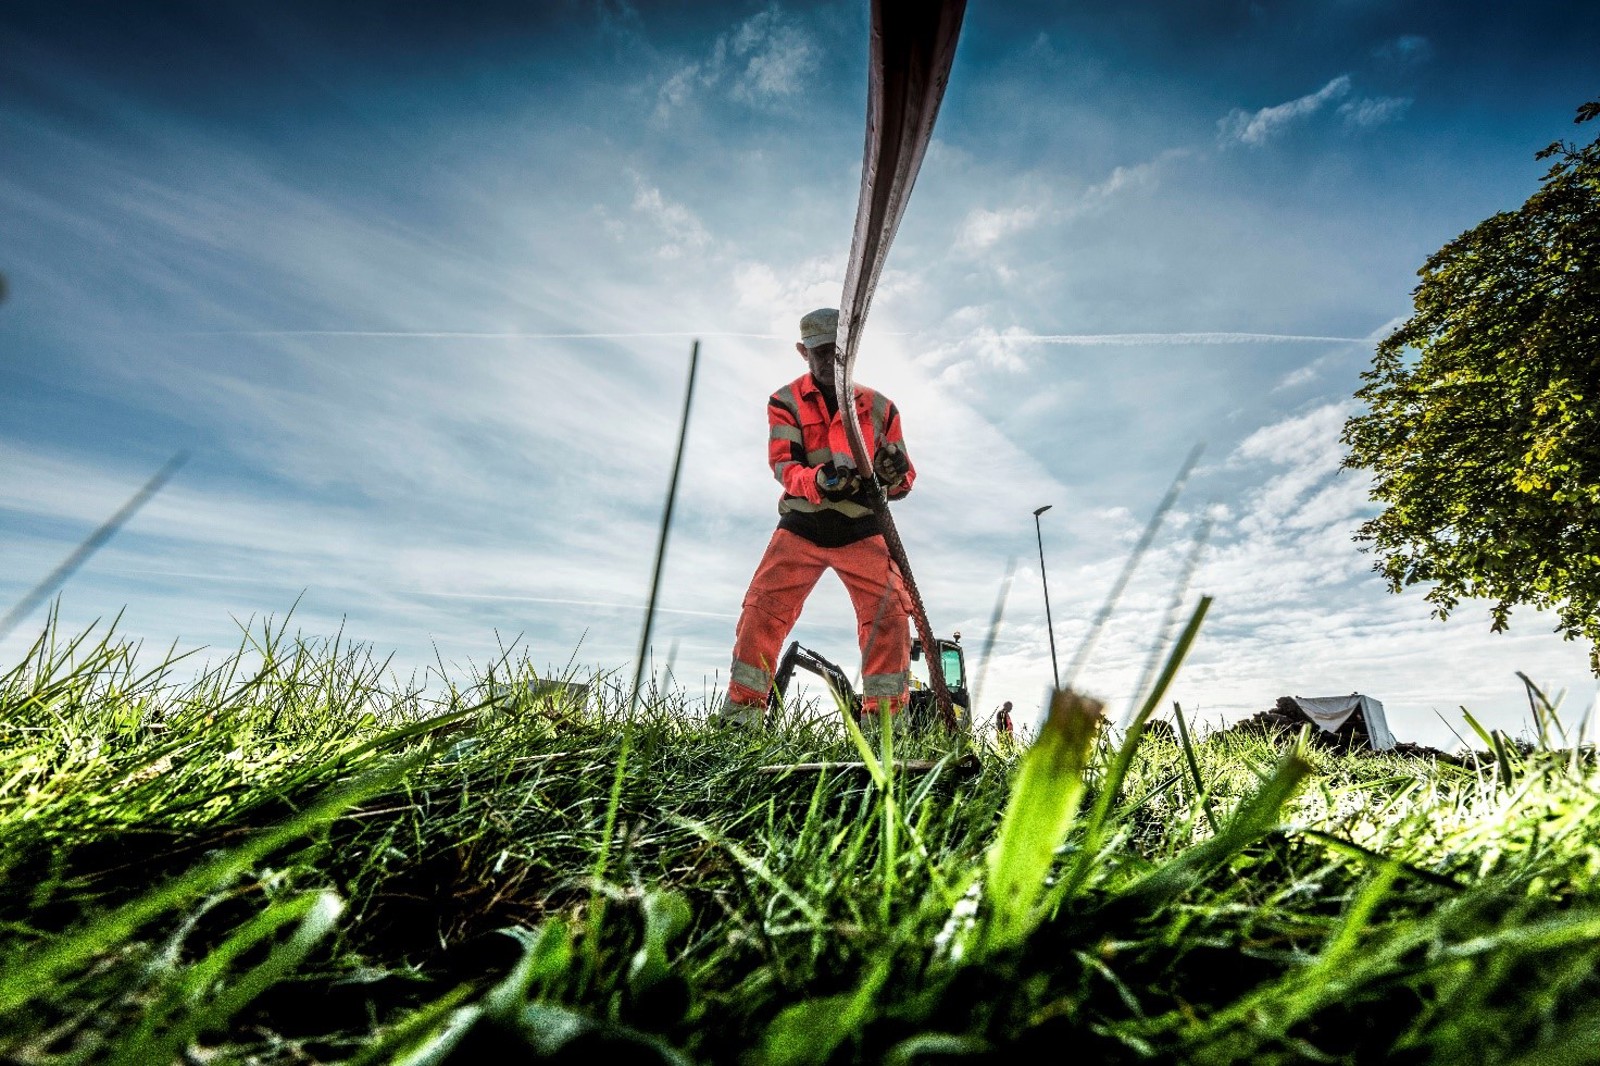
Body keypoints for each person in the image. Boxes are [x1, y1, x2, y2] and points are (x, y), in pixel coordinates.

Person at [713, 307, 916, 729]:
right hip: (802, 526)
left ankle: (886, 730)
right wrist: (820, 480)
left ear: (851, 350)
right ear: (803, 352)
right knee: (762, 611)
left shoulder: (882, 408)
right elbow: (785, 467)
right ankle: (741, 721)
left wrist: (893, 472)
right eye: (820, 352)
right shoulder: (785, 401)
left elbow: (903, 480)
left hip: (862, 528)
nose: (829, 360)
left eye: (837, 351)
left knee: (890, 619)